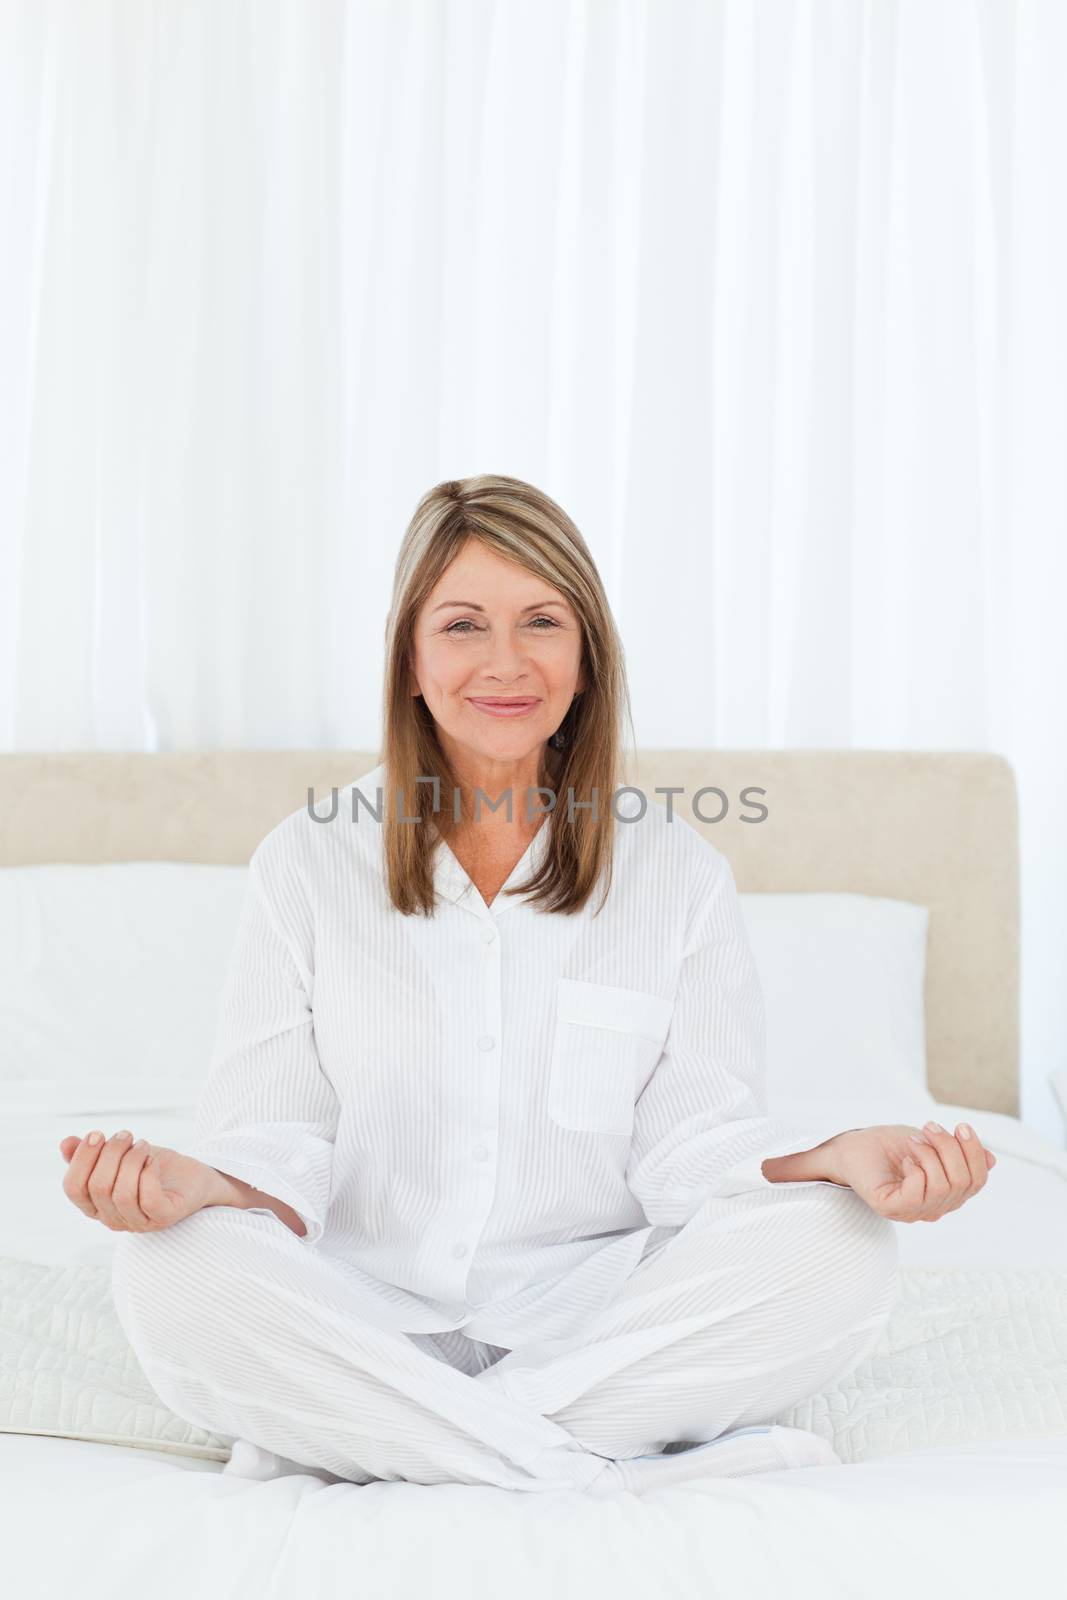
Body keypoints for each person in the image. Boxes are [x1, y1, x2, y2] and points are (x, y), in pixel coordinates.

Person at [58, 474, 996, 1496]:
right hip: (359, 1308)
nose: (503, 662)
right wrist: (198, 1184)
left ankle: (395, 1439)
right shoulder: (305, 863)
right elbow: (278, 1138)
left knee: (840, 1242)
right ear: (408, 655)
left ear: (585, 653)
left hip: (594, 1318)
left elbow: (692, 1152)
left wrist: (833, 1155)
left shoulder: (677, 871)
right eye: (461, 624)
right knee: (163, 1265)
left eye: (540, 621)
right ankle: (583, 1463)